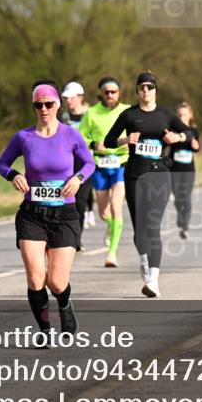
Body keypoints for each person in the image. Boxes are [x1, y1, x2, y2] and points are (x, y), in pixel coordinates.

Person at [0, 81, 94, 336]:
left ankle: (64, 303)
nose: (44, 109)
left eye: (48, 104)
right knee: (36, 279)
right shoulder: (23, 137)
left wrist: (77, 179)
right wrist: (13, 175)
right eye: (38, 105)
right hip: (33, 215)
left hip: (64, 215)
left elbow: (89, 163)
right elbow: (2, 163)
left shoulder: (70, 135)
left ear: (57, 105)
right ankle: (45, 329)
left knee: (57, 282)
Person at [104, 72, 190, 297]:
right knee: (139, 230)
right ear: (137, 91)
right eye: (142, 87)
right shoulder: (129, 114)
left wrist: (177, 138)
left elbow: (189, 133)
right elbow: (108, 140)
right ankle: (143, 260)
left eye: (150, 87)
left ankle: (154, 280)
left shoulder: (165, 115)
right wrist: (125, 140)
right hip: (134, 175)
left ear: (155, 90)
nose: (146, 91)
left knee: (152, 227)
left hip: (160, 174)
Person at [78, 77, 130, 267]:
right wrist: (93, 144)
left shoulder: (127, 111)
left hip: (122, 164)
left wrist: (131, 142)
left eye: (113, 92)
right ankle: (111, 227)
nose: (110, 95)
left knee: (117, 206)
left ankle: (112, 254)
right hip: (100, 165)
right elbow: (81, 137)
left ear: (119, 93)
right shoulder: (91, 113)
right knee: (103, 213)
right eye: (106, 92)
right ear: (100, 93)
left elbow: (140, 131)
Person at [60, 81, 96, 236]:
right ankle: (67, 235)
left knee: (80, 202)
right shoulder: (63, 117)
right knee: (67, 200)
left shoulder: (91, 115)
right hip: (67, 162)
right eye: (66, 98)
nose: (68, 101)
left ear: (80, 97)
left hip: (85, 163)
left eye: (71, 97)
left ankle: (77, 237)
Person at [169, 102, 200, 240]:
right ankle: (180, 214)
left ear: (190, 116)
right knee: (177, 197)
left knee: (185, 196)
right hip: (174, 168)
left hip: (188, 169)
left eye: (184, 115)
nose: (182, 117)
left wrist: (194, 143)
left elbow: (197, 147)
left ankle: (185, 224)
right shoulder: (172, 130)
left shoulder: (194, 131)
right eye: (179, 115)